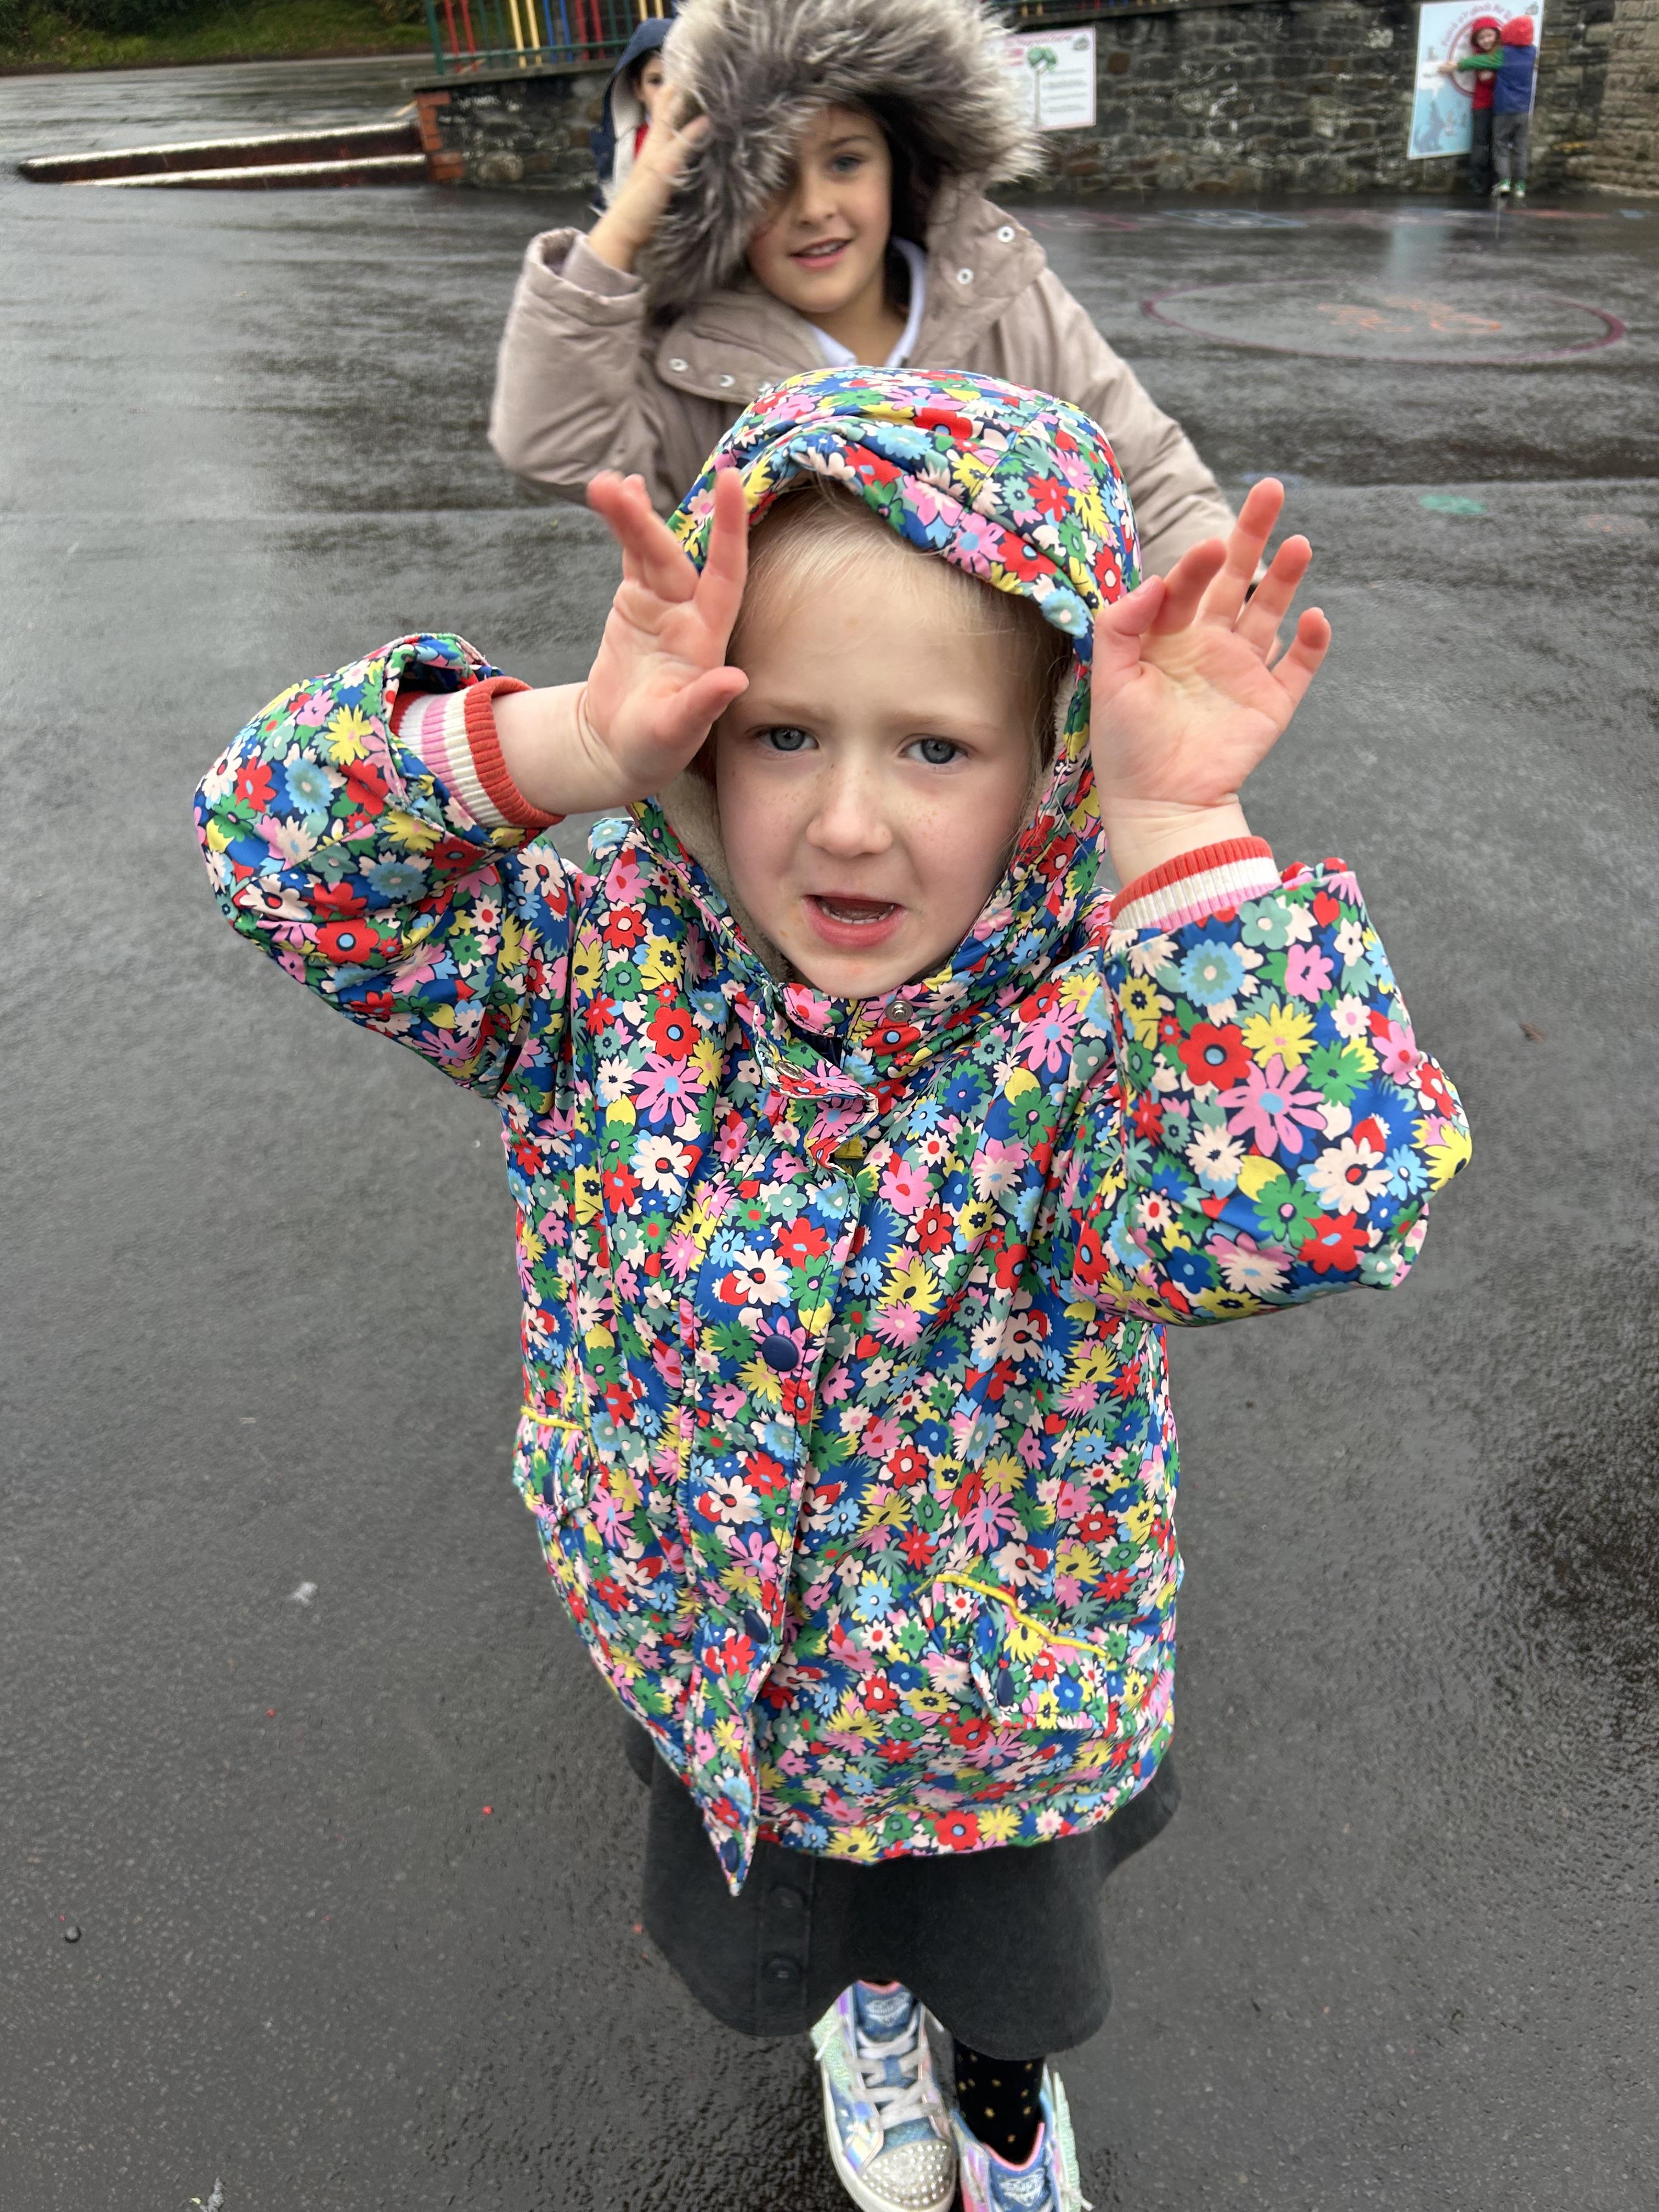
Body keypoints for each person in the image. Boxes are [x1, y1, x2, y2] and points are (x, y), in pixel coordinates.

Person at [194, 366, 1470, 2212]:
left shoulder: (1095, 1039)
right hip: (721, 1671)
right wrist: (567, 741)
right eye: (784, 733)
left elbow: (1319, 1203)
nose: (851, 823)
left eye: (936, 749)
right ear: (703, 735)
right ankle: (866, 2016)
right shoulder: (601, 973)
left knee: (1011, 1971)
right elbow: (280, 860)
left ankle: (1004, 2097)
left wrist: (1186, 838)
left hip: (997, 1712)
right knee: (818, 1936)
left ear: (1052, 764)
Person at [490, 0, 1238, 577]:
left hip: (1013, 721)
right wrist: (628, 226)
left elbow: (1146, 475)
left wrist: (1206, 610)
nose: (814, 207)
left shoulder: (1004, 302)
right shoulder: (691, 355)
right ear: (722, 200)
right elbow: (551, 445)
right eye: (771, 176)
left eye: (845, 162)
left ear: (904, 166)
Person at [589, 13, 673, 211]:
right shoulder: (626, 148)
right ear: (638, 89)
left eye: (678, 77)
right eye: (656, 81)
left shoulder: (711, 139)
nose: (668, 92)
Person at [1439, 16, 1502, 199]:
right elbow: (1486, 78)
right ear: (1476, 41)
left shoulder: (1499, 54)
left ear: (1497, 35)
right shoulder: (1478, 57)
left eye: (1489, 35)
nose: (1486, 40)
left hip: (1500, 106)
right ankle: (1477, 185)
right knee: (1480, 145)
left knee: (1497, 145)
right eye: (1481, 38)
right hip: (1482, 105)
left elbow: (1491, 69)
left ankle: (1496, 182)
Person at [1492, 14, 1537, 201]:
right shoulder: (1532, 52)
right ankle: (1520, 186)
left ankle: (1504, 182)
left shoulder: (1503, 53)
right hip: (1523, 110)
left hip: (1504, 108)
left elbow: (1481, 62)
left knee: (1501, 145)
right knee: (1521, 148)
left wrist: (1459, 64)